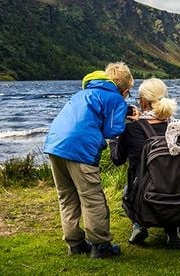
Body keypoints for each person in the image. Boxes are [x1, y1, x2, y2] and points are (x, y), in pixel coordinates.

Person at [43, 62, 134, 259]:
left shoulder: (82, 94)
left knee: (67, 197)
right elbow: (112, 131)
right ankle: (101, 246)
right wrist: (125, 117)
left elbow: (92, 115)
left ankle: (75, 244)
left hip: (55, 146)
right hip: (80, 150)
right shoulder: (117, 99)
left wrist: (120, 113)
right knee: (92, 198)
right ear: (125, 90)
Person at [110, 78, 180, 248]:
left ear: (143, 102)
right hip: (174, 193)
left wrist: (115, 137)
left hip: (142, 196)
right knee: (166, 179)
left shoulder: (131, 128)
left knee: (128, 190)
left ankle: (139, 224)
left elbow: (117, 159)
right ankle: (171, 229)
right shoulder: (176, 127)